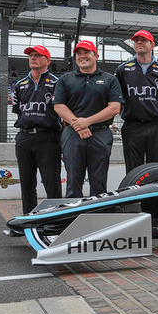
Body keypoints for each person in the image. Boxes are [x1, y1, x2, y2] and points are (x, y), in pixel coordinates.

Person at [53, 40, 123, 197]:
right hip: (72, 133)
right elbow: (58, 106)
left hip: (100, 133)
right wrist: (78, 124)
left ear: (96, 56)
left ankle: (97, 216)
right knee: (73, 180)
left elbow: (114, 108)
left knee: (98, 181)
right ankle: (73, 217)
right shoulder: (65, 79)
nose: (82, 56)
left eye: (86, 52)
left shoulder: (109, 79)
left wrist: (87, 121)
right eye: (79, 53)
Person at [12, 45, 62, 214]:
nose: (33, 58)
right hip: (24, 138)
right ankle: (29, 221)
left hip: (48, 138)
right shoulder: (20, 85)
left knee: (52, 184)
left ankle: (54, 221)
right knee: (27, 184)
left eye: (38, 55)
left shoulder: (57, 83)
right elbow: (19, 111)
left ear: (47, 60)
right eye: (31, 55)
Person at [114, 30, 158, 173]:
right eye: (136, 40)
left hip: (156, 126)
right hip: (132, 126)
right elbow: (117, 98)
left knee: (157, 171)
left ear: (152, 45)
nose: (139, 42)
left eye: (143, 40)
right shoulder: (123, 70)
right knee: (133, 171)